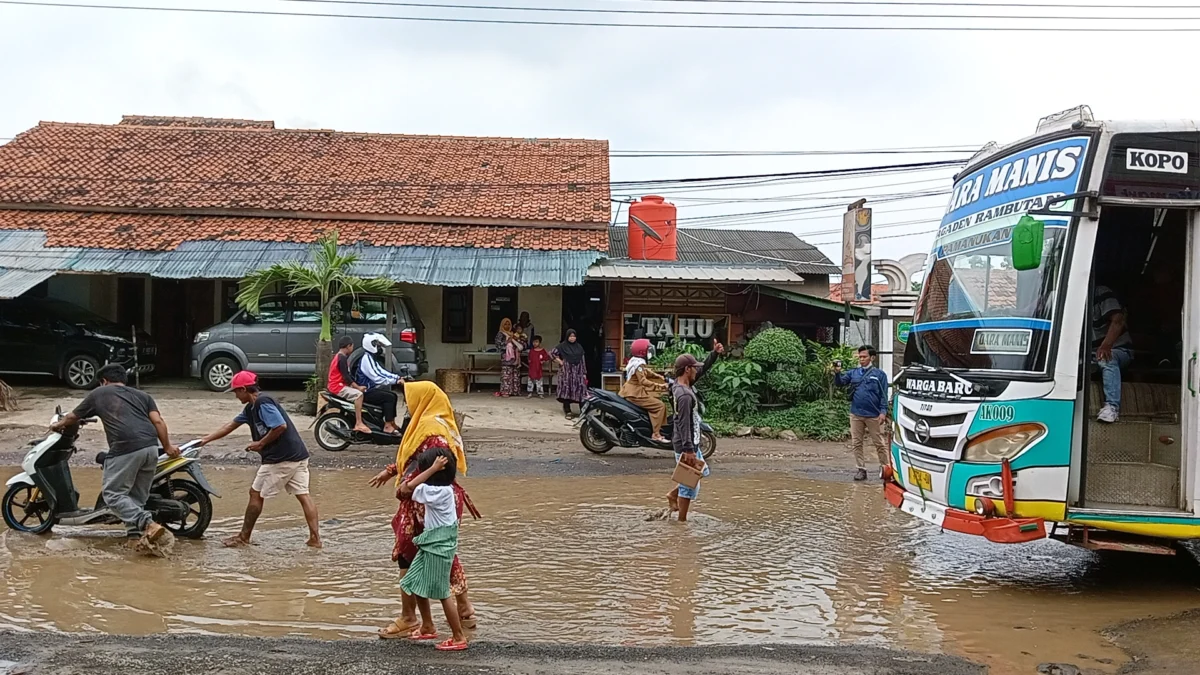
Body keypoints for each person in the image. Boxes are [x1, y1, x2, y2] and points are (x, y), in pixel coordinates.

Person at [369, 380, 480, 642]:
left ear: (424, 400)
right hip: (434, 503)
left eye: (411, 399)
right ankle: (464, 611)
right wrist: (391, 470)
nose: (408, 405)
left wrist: (406, 486)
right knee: (441, 554)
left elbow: (428, 466)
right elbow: (416, 458)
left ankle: (411, 617)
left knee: (410, 556)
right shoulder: (434, 422)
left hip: (423, 505)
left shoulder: (431, 429)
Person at [49, 364, 179, 548]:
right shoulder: (144, 396)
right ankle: (134, 538)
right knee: (136, 498)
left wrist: (57, 425)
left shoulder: (99, 393)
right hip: (150, 448)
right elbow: (158, 421)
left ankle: (148, 524)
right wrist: (167, 446)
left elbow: (72, 417)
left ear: (104, 381)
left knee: (113, 495)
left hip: (126, 448)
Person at [199, 371, 321, 548]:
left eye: (236, 392)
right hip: (298, 456)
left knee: (255, 493)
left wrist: (260, 443)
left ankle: (244, 537)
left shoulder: (262, 402)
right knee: (303, 495)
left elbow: (280, 426)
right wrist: (205, 440)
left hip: (282, 458)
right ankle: (315, 539)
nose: (235, 395)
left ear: (243, 389)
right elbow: (230, 426)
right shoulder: (250, 408)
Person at [396, 448, 468, 651]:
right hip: (433, 543)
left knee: (443, 593)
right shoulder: (445, 490)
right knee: (414, 581)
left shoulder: (438, 492)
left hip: (438, 546)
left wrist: (432, 468)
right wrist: (434, 469)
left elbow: (407, 487)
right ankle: (427, 626)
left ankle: (458, 637)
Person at [668, 341, 723, 522]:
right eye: (694, 368)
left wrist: (714, 354)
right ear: (687, 370)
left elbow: (703, 370)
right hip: (687, 444)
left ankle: (673, 495)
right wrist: (688, 449)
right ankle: (681, 523)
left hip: (693, 441)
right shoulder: (684, 396)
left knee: (700, 474)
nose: (696, 371)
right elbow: (684, 424)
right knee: (689, 485)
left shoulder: (681, 385)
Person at [834, 345, 890, 482]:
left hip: (874, 415)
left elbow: (884, 395)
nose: (862, 359)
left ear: (872, 358)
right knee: (856, 443)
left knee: (879, 443)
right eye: (860, 357)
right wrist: (837, 373)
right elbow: (840, 383)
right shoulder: (853, 373)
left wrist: (883, 412)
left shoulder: (880, 375)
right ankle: (861, 469)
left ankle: (886, 469)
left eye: (864, 357)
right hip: (856, 414)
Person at [1093, 284, 1132, 423]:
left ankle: (1112, 407)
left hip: (1119, 349)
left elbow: (1118, 320)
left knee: (1106, 358)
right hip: (1090, 355)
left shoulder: (1100, 292)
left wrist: (1106, 345)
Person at [620, 338, 668, 442]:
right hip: (635, 394)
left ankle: (655, 428)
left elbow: (647, 371)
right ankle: (656, 434)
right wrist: (660, 386)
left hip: (632, 391)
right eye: (648, 350)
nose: (649, 352)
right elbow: (643, 381)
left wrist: (660, 377)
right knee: (660, 406)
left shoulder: (636, 361)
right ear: (642, 351)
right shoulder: (639, 364)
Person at [357, 332, 403, 434]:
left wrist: (397, 377)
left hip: (370, 389)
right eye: (376, 345)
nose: (378, 347)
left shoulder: (370, 358)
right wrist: (395, 380)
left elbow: (382, 371)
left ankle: (391, 422)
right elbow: (377, 377)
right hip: (366, 391)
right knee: (389, 397)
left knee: (393, 395)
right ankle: (387, 426)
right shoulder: (366, 359)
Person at [329, 336, 370, 434]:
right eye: (352, 346)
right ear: (349, 346)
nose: (352, 349)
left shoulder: (339, 356)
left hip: (337, 385)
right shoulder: (342, 358)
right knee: (358, 395)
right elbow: (346, 377)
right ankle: (358, 422)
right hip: (337, 387)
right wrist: (358, 387)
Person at [552, 329, 588, 418]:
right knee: (566, 390)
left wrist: (584, 372)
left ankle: (583, 411)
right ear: (567, 337)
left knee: (580, 391)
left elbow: (582, 360)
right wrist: (560, 362)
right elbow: (552, 353)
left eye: (574, 336)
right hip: (566, 373)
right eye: (570, 336)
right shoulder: (562, 346)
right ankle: (567, 410)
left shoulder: (579, 347)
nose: (572, 338)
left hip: (578, 373)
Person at [495, 318, 524, 397]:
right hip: (506, 358)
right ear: (502, 325)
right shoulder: (500, 334)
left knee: (515, 374)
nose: (507, 326)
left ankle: (515, 391)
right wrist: (507, 344)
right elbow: (498, 346)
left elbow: (521, 344)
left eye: (508, 324)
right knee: (507, 375)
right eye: (505, 324)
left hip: (515, 357)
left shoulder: (513, 334)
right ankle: (506, 392)